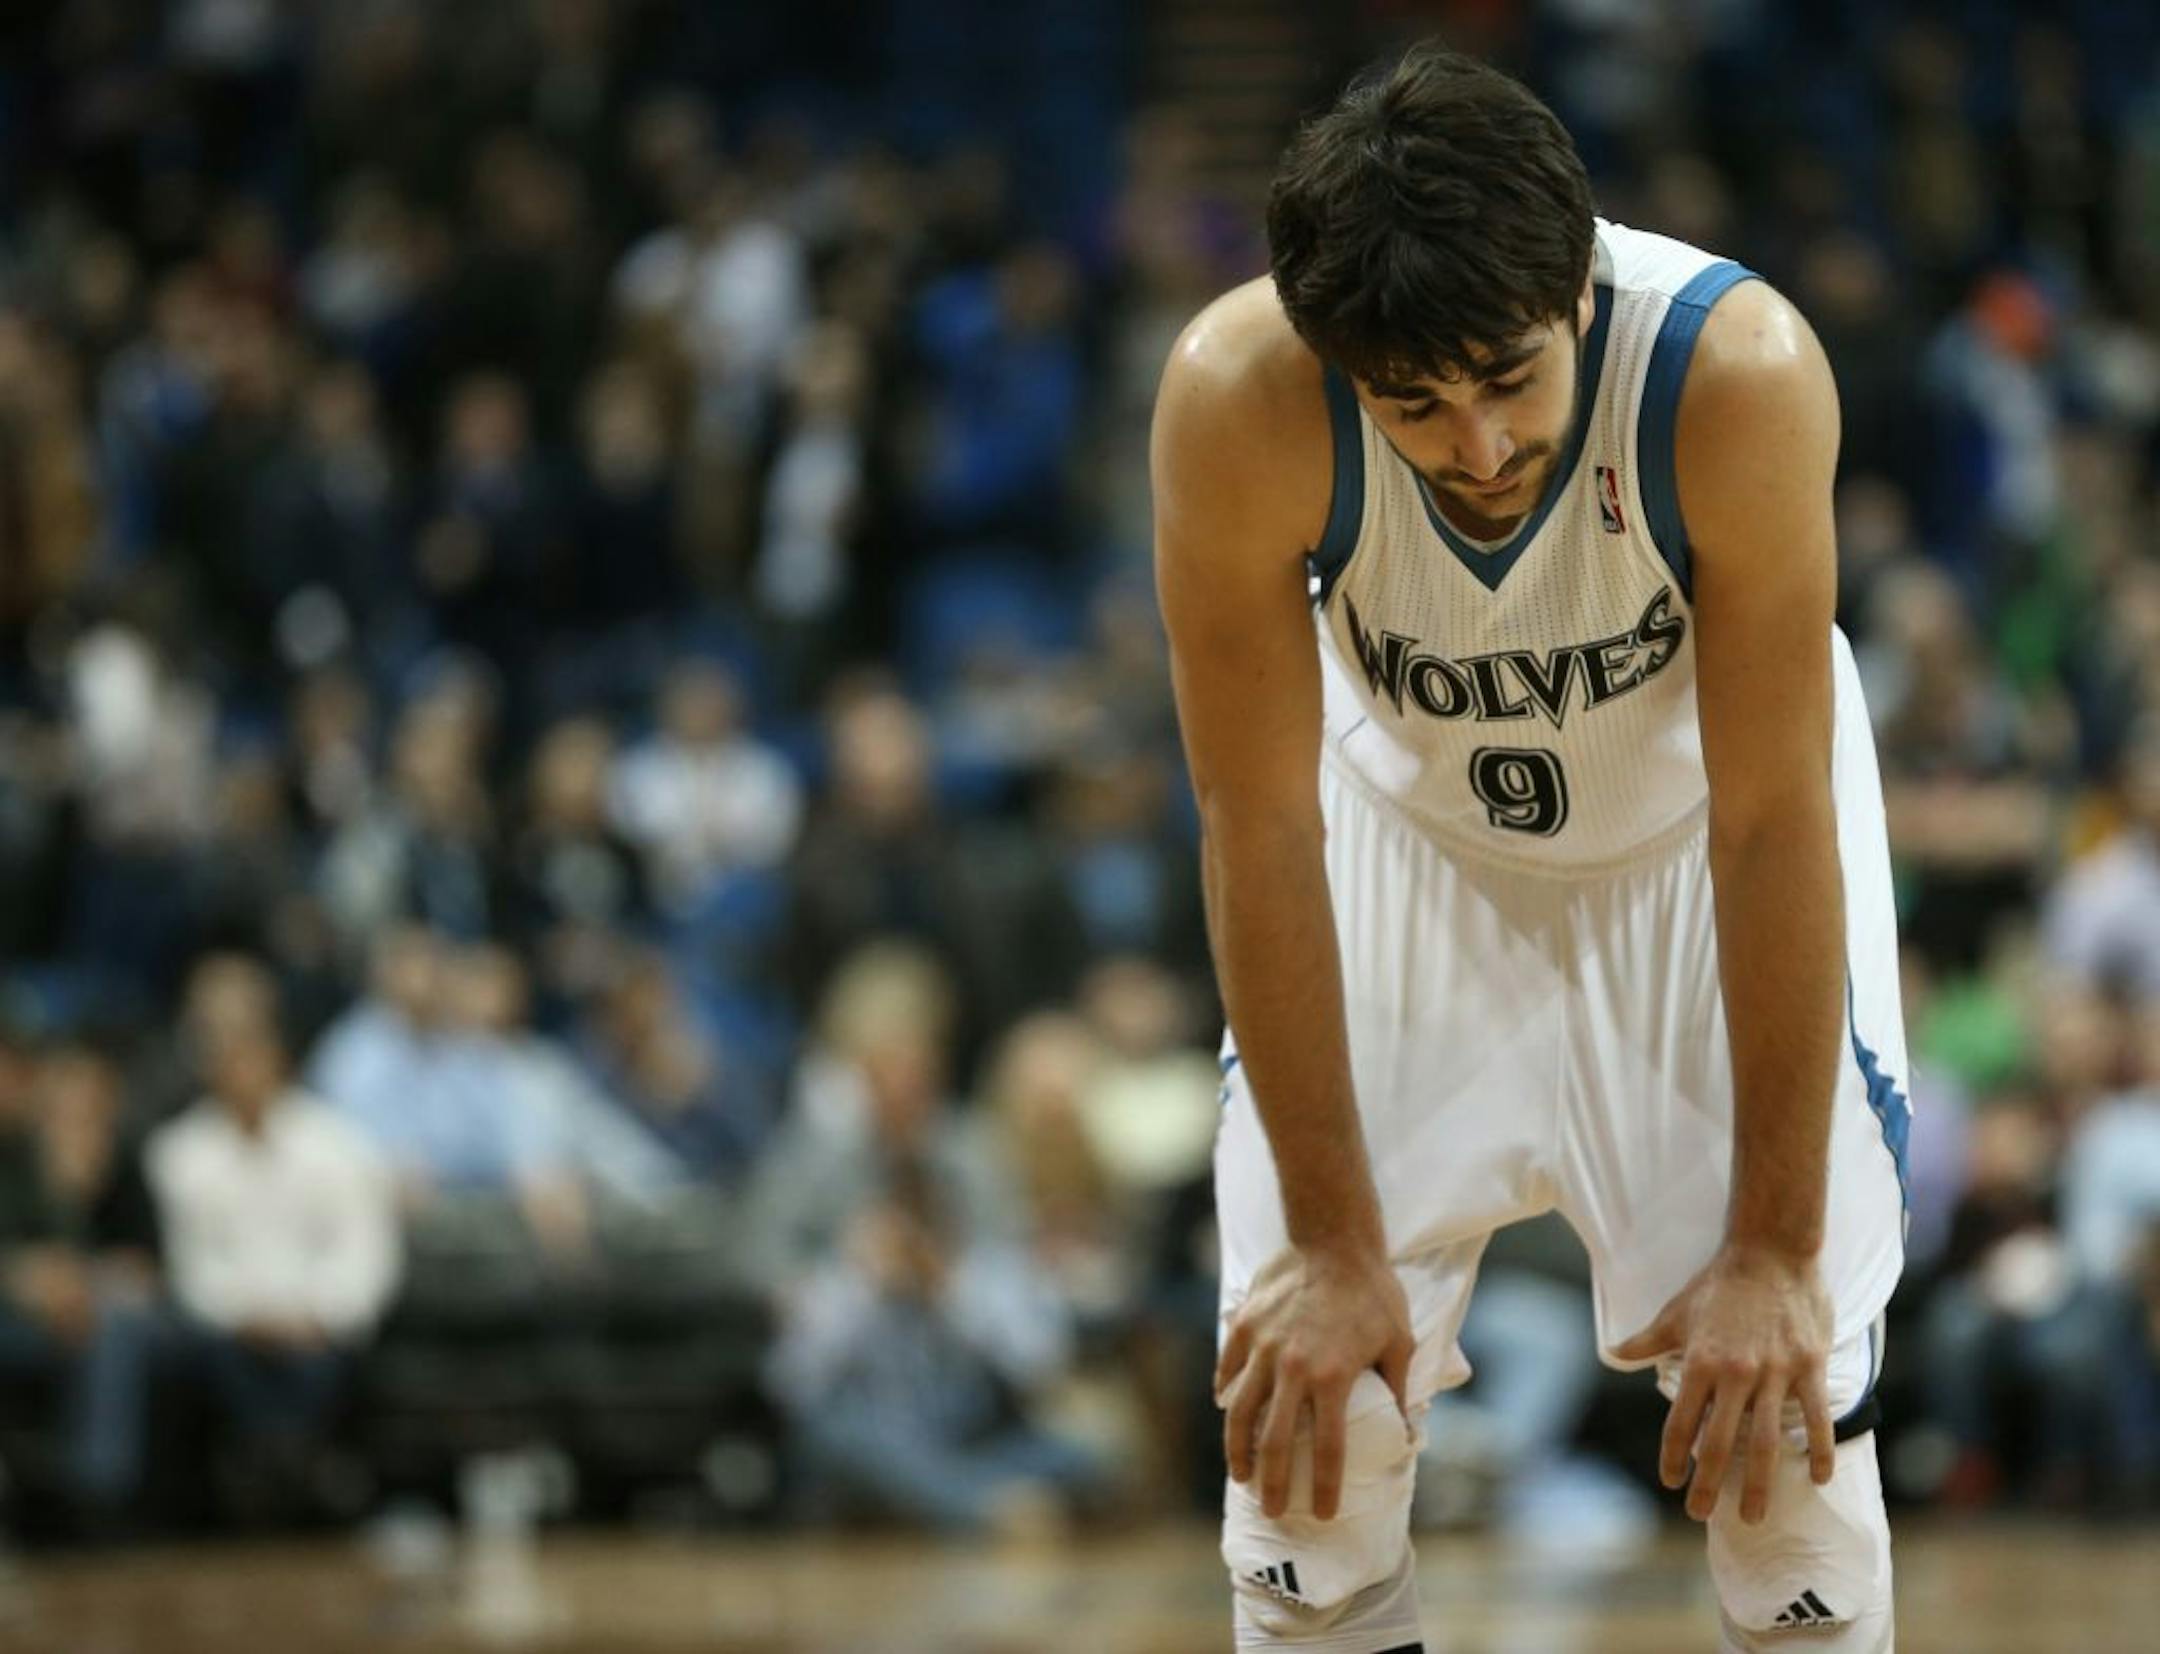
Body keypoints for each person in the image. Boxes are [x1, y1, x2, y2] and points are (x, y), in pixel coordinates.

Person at [1151, 45, 1909, 1653]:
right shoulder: (1238, 400)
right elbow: (1259, 819)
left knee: (1789, 1483)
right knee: (1308, 1457)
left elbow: (1775, 816)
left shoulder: (1739, 372)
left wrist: (1774, 1247)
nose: (1479, 446)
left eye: (1506, 374)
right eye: (1412, 404)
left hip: (1702, 846)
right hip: (1408, 845)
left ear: (1578, 291)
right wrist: (1338, 1245)